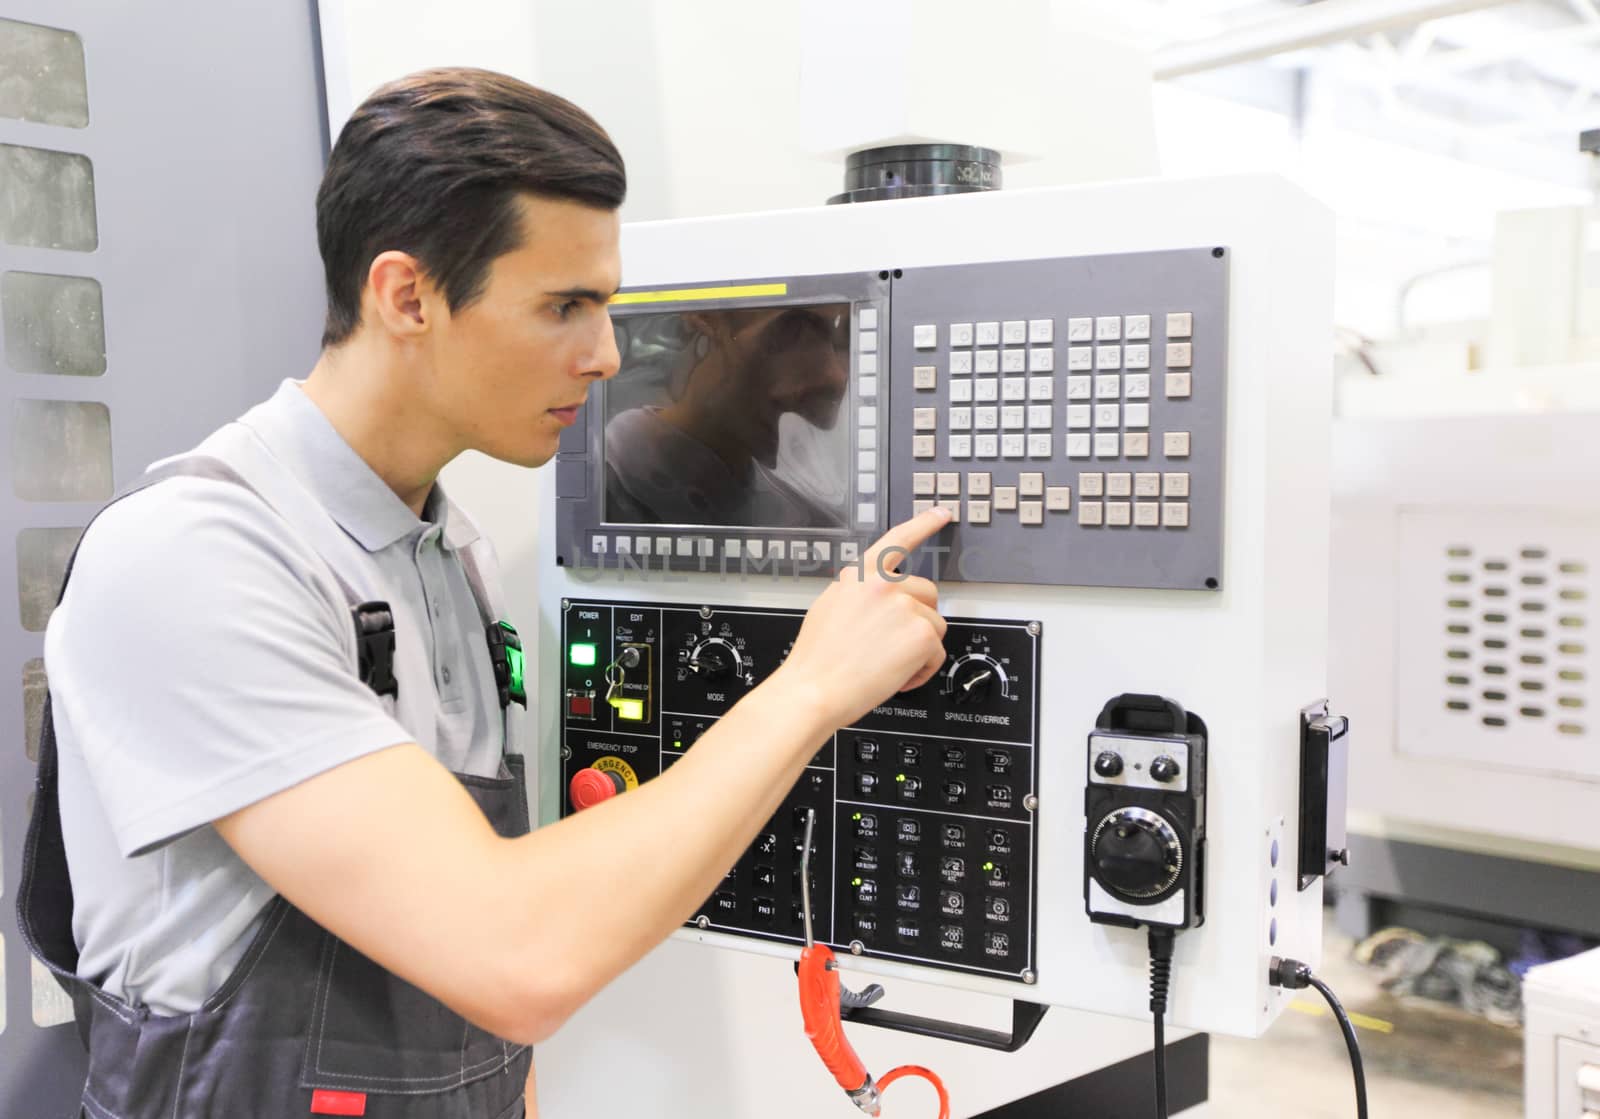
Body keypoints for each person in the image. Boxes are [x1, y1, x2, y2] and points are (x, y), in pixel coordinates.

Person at [19, 68, 951, 1118]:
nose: (603, 358)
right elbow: (517, 955)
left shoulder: (448, 551)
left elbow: (482, 1009)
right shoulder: (196, 558)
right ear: (407, 297)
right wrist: (810, 688)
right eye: (564, 307)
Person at [605, 305, 851, 528]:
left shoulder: (802, 514)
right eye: (792, 330)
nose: (835, 379)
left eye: (844, 342)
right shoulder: (607, 474)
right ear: (707, 318)